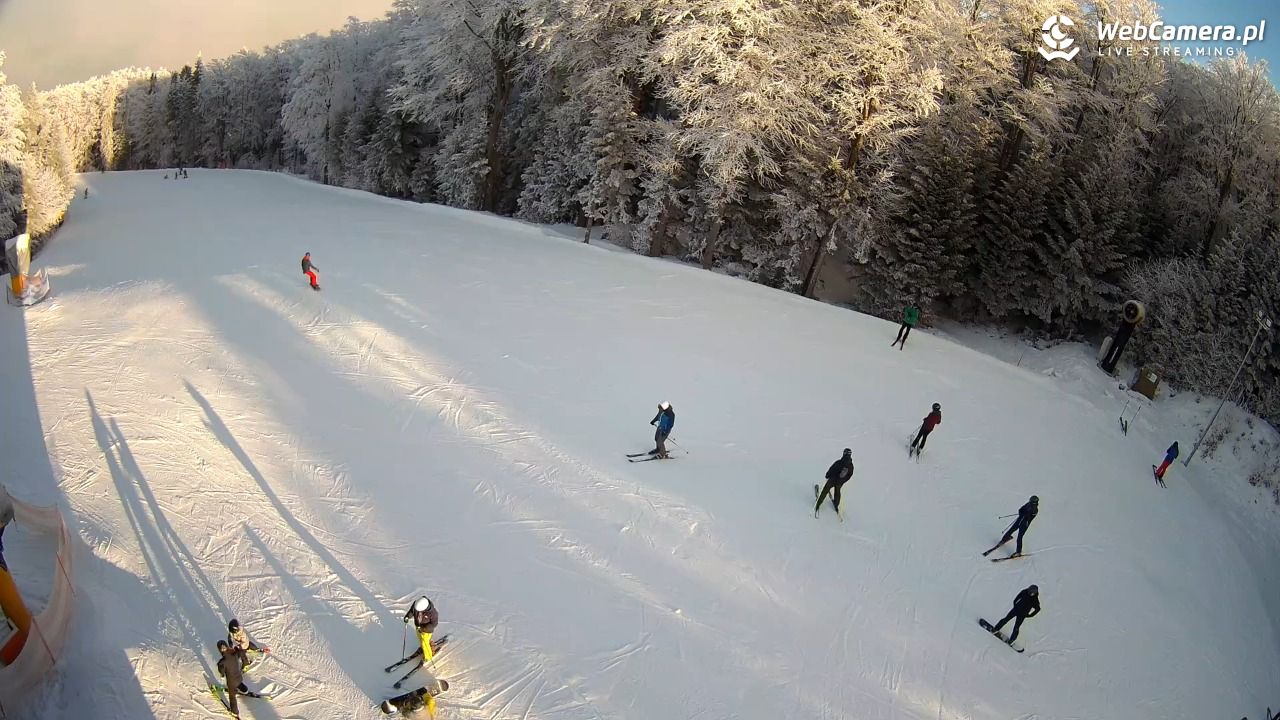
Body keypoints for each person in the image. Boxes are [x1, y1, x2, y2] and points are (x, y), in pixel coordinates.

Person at [392, 596, 440, 688]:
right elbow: (411, 611)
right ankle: (425, 646)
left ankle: (428, 656)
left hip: (426, 630)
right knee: (419, 638)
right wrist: (407, 616)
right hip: (418, 627)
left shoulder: (433, 613)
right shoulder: (416, 605)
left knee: (424, 642)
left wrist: (424, 628)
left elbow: (434, 624)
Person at [215, 640, 265, 717]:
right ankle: (245, 690)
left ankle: (234, 711)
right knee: (240, 684)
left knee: (232, 697)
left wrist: (222, 675)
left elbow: (221, 671)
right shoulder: (234, 654)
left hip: (231, 682)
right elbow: (241, 652)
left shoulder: (222, 662)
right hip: (239, 677)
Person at [815, 448, 854, 519]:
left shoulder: (839, 462)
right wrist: (843, 481)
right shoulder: (851, 466)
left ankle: (818, 503)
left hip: (833, 480)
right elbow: (849, 475)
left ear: (844, 454)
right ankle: (836, 504)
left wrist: (827, 475)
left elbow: (832, 469)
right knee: (837, 491)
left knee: (826, 489)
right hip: (840, 482)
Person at [381, 678, 450, 717]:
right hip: (409, 699)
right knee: (419, 700)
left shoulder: (406, 708)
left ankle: (427, 692)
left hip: (409, 697)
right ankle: (427, 693)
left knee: (419, 699)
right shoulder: (406, 710)